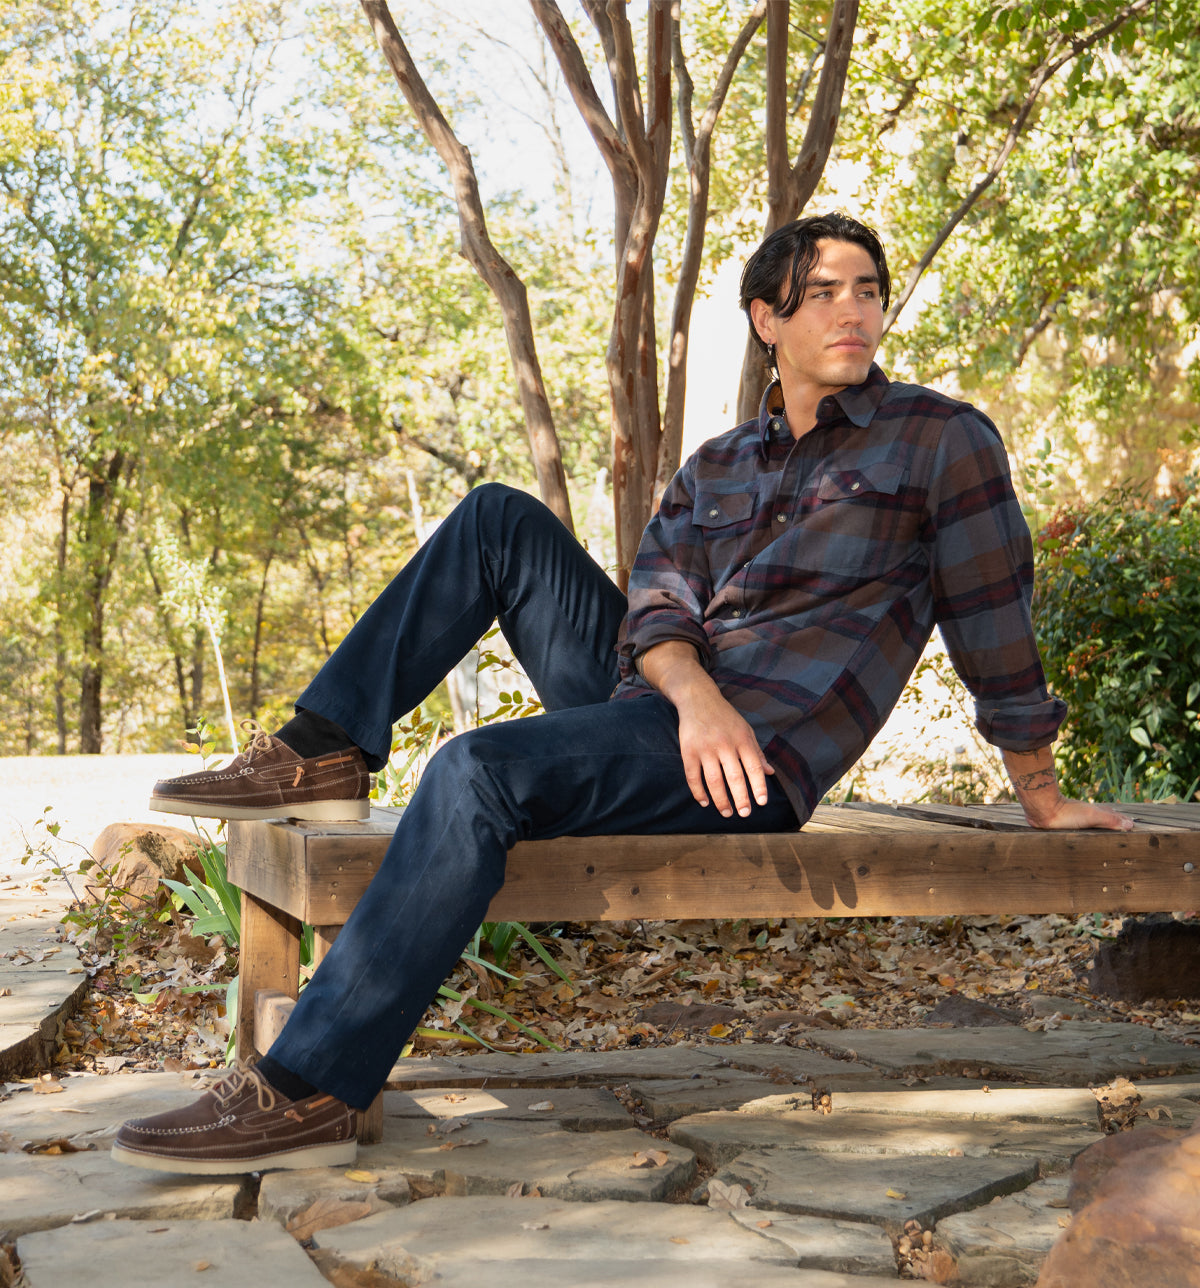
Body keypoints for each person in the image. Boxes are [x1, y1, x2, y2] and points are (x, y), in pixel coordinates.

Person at [112, 213, 1132, 1175]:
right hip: (667, 707)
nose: (853, 311)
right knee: (497, 519)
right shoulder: (721, 462)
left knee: (476, 770)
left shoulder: (938, 440)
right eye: (822, 294)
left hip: (754, 758)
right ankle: (323, 747)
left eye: (867, 291)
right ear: (768, 320)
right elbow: (657, 601)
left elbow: (994, 617)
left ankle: (308, 1086)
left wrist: (1037, 787)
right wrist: (689, 688)